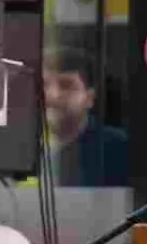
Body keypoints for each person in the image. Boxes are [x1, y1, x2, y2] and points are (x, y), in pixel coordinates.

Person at [44, 48, 128, 187]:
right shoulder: (18, 148)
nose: (53, 95)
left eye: (66, 85)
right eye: (44, 85)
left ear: (89, 98)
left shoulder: (118, 151)